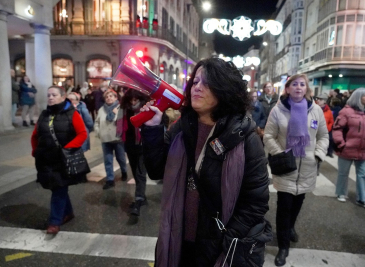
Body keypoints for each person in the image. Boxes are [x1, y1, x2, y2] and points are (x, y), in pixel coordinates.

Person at [140, 57, 270, 266]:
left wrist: (227, 237)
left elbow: (255, 202)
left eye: (206, 83)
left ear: (224, 90)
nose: (196, 88)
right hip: (180, 238)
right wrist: (153, 128)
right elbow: (156, 171)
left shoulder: (244, 137)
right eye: (195, 81)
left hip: (218, 246)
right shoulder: (181, 128)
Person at [263, 74, 329, 266]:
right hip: (286, 167)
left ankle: (290, 227)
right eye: (294, 84)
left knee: (299, 201)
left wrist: (318, 155)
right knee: (284, 207)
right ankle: (283, 246)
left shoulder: (315, 110)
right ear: (288, 88)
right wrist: (281, 153)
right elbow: (268, 136)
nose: (298, 87)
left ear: (307, 88)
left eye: (302, 84)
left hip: (308, 167)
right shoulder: (278, 110)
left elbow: (324, 136)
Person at [31, 86, 87, 234]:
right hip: (45, 159)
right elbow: (35, 135)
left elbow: (82, 134)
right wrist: (35, 151)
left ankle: (54, 222)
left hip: (62, 159)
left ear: (62, 97)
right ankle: (68, 213)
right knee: (57, 187)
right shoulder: (44, 114)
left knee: (59, 189)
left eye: (54, 95)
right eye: (48, 95)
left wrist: (67, 149)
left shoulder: (72, 114)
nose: (50, 97)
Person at [332, 88, 365, 208]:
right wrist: (341, 144)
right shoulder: (346, 112)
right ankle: (341, 193)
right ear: (358, 97)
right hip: (347, 148)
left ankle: (362, 198)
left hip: (364, 149)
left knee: (362, 174)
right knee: (343, 173)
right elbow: (337, 129)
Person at [118, 89, 150, 216]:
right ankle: (142, 195)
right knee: (136, 173)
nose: (133, 101)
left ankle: (138, 200)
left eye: (135, 99)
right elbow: (120, 124)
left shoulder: (146, 108)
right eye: (131, 99)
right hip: (130, 144)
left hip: (143, 145)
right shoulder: (124, 108)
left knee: (140, 173)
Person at [94, 89, 128, 189]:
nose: (109, 98)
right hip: (105, 138)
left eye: (111, 96)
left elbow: (124, 122)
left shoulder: (121, 108)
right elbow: (97, 122)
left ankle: (124, 171)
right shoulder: (101, 109)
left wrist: (116, 114)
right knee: (108, 160)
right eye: (107, 97)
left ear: (115, 97)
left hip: (118, 138)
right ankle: (110, 180)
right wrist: (98, 132)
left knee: (121, 158)